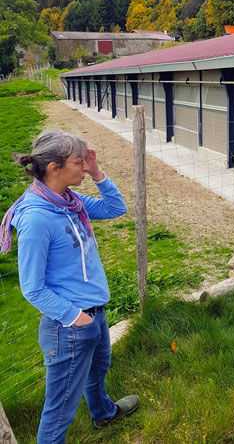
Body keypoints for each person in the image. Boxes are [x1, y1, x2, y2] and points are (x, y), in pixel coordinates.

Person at [0, 130, 139, 443]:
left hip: (94, 312)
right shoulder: (37, 218)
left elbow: (116, 208)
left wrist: (97, 170)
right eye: (79, 163)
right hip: (69, 325)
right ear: (54, 168)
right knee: (61, 406)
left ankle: (104, 413)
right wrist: (76, 317)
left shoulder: (69, 201)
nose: (84, 169)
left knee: (98, 370)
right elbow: (31, 287)